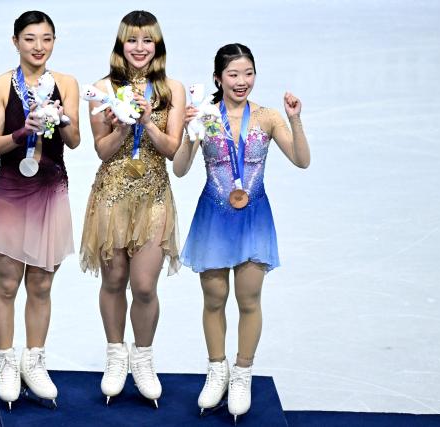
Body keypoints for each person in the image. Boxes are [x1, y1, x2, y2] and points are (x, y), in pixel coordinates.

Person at [173, 43, 310, 421]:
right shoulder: (205, 115)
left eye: (248, 73)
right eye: (233, 74)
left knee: (249, 300)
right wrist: (188, 132)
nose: (241, 81)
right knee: (214, 298)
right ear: (218, 78)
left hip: (253, 219)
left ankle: (242, 372)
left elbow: (301, 160)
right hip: (214, 219)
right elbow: (180, 169)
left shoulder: (266, 117)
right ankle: (217, 370)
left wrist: (294, 119)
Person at [79, 10, 185, 407]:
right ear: (120, 44)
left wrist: (148, 122)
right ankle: (115, 354)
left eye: (147, 40)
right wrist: (122, 125)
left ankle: (143, 356)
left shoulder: (172, 89)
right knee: (113, 280)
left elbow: (173, 149)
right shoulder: (102, 88)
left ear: (157, 45)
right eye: (132, 40)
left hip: (154, 195)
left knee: (143, 286)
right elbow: (101, 150)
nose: (139, 48)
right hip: (113, 195)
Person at [0, 10, 80, 409]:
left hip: (50, 188)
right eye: (30, 39)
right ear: (16, 42)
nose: (39, 47)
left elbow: (73, 141)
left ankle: (33, 359)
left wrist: (60, 116)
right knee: (6, 284)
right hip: (11, 189)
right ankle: (6, 360)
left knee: (41, 283)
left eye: (47, 39)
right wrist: (25, 130)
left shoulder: (66, 83)